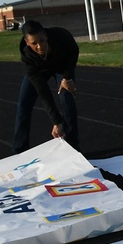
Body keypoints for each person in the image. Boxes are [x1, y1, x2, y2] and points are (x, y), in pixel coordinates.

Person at [12, 20, 80, 154]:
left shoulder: (61, 36)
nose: (39, 46)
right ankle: (18, 151)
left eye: (42, 41)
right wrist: (56, 121)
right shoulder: (27, 58)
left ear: (46, 36)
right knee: (23, 106)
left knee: (67, 99)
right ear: (27, 42)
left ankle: (73, 147)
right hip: (39, 71)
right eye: (34, 43)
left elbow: (74, 51)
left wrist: (67, 77)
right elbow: (42, 90)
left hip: (61, 67)